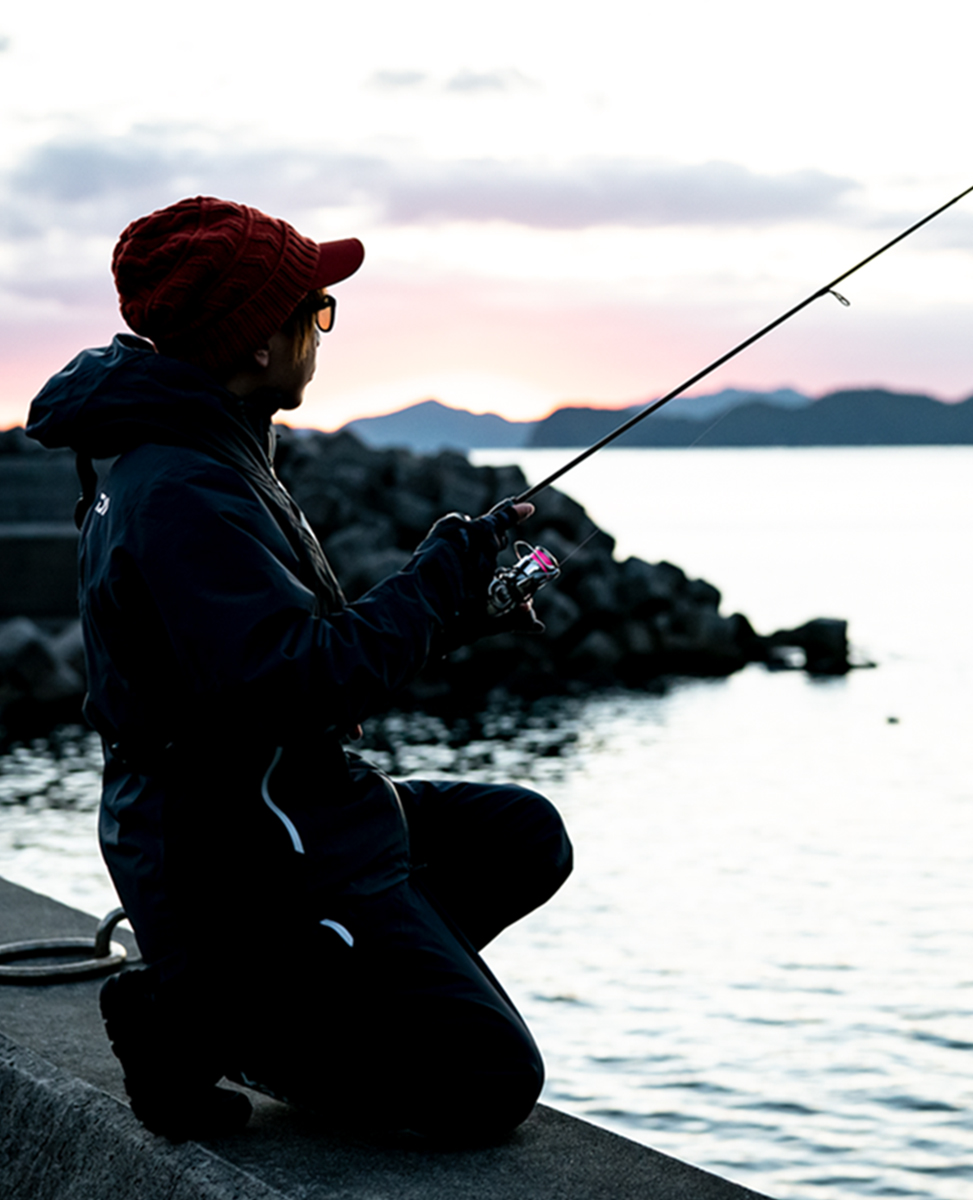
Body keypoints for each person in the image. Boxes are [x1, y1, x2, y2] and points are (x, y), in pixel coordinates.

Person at [26, 196, 572, 1144]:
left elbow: (268, 663)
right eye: (315, 310)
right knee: (487, 1078)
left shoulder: (199, 456)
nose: (323, 330)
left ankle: (292, 993)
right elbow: (297, 683)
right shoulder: (186, 492)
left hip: (286, 799)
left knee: (522, 836)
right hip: (244, 844)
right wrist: (436, 579)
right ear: (258, 346)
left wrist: (451, 619)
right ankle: (200, 1019)